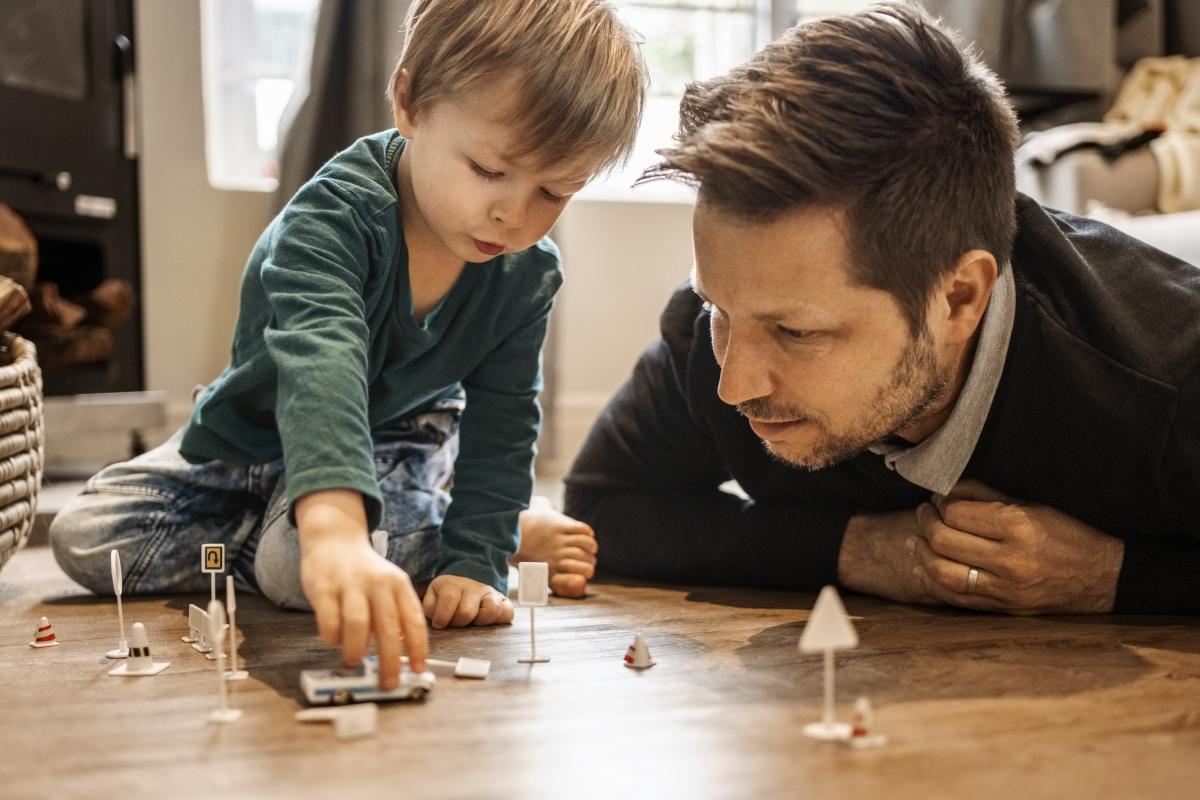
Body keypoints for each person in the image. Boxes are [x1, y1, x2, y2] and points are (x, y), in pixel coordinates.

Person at [50, 0, 646, 686]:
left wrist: (477, 558)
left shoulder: (525, 275)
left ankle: (471, 534)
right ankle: (313, 533)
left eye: (554, 191)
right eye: (488, 171)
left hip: (397, 436)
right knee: (87, 536)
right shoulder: (331, 219)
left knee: (292, 567)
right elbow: (321, 364)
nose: (514, 214)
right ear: (410, 103)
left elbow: (505, 422)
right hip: (261, 431)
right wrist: (332, 535)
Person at [562, 3, 1200, 615]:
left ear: (958, 300)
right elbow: (602, 504)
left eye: (797, 331)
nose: (734, 384)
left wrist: (1112, 575)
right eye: (718, 309)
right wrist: (859, 551)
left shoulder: (1167, 373)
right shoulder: (720, 321)